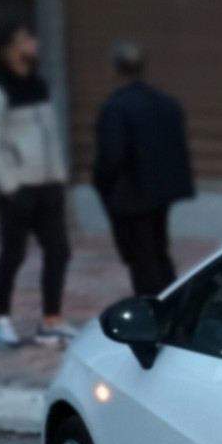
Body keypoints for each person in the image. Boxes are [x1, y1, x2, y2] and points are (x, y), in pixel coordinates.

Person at [0, 22, 75, 349]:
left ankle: (51, 322)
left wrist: (58, 176)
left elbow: (49, 135)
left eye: (34, 37)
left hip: (48, 186)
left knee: (59, 251)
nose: (35, 43)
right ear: (9, 48)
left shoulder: (39, 84)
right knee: (13, 254)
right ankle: (1, 321)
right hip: (19, 190)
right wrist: (11, 186)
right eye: (25, 39)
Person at [92, 42, 196, 296]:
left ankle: (154, 308)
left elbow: (111, 155)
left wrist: (102, 183)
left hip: (131, 196)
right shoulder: (165, 102)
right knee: (157, 251)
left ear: (115, 69)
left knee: (143, 259)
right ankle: (171, 300)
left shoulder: (117, 107)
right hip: (160, 193)